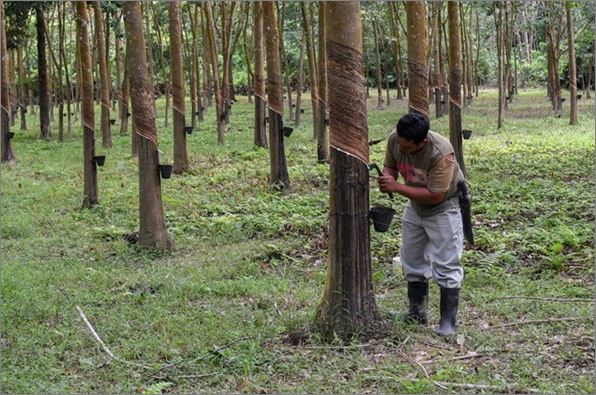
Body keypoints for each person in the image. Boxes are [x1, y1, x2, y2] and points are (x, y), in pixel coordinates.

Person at [377, 112, 465, 336]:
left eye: (409, 149)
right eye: (401, 145)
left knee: (446, 263)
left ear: (422, 142)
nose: (403, 151)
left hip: (444, 208)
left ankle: (448, 321)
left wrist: (397, 188)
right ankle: (416, 312)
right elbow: (390, 166)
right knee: (412, 258)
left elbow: (435, 195)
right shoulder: (395, 139)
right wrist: (388, 178)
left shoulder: (441, 153)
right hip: (415, 207)